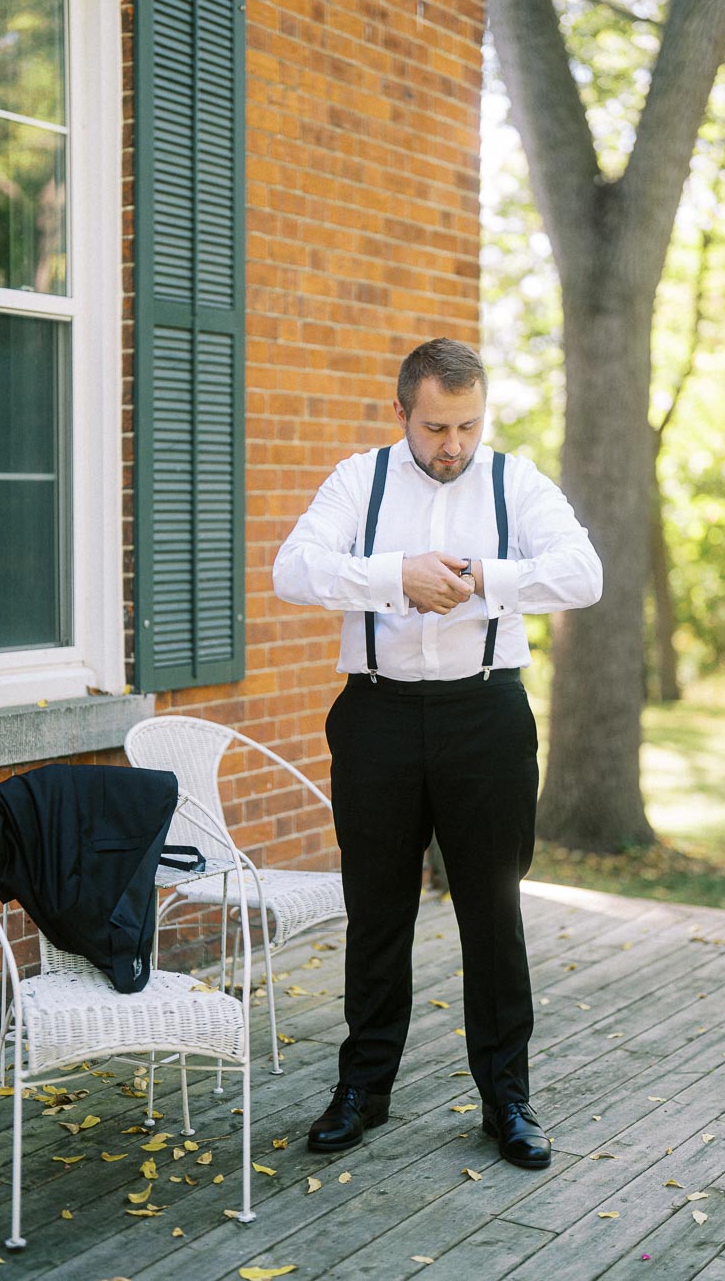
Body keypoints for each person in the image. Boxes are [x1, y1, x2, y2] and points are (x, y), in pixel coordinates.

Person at [273, 338, 602, 1169]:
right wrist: (394, 577)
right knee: (377, 909)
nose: (452, 444)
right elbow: (293, 569)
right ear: (401, 415)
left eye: (466, 424)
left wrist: (489, 577)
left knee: (492, 912)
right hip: (377, 717)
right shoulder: (361, 479)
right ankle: (363, 1090)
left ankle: (508, 1099)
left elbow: (583, 573)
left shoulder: (512, 481)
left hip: (485, 716)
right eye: (435, 426)